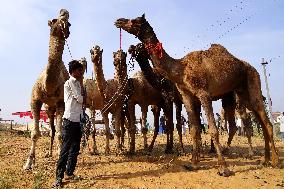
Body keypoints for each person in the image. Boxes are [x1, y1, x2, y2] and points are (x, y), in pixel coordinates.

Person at [53, 60, 85, 188]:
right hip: (69, 120)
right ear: (73, 71)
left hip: (77, 120)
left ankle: (69, 172)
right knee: (65, 149)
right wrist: (83, 95)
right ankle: (58, 178)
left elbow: (81, 102)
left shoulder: (78, 83)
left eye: (81, 70)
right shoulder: (70, 82)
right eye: (79, 70)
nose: (81, 72)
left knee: (75, 149)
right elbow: (80, 99)